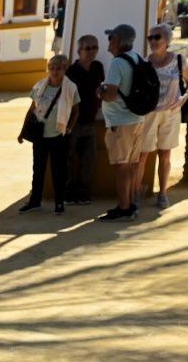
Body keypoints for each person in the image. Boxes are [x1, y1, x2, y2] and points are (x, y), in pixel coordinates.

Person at [136, 23, 188, 211]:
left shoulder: (178, 60)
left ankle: (162, 193)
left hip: (171, 113)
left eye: (157, 37)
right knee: (142, 155)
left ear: (167, 40)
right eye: (150, 38)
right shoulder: (145, 63)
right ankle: (136, 192)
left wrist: (185, 97)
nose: (153, 41)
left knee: (165, 154)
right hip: (150, 114)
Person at [18, 54, 80, 215]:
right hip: (40, 135)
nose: (54, 71)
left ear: (65, 69)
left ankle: (59, 202)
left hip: (59, 135)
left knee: (59, 171)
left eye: (58, 68)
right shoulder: (39, 86)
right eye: (52, 68)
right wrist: (22, 131)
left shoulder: (70, 88)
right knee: (38, 169)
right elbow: (31, 110)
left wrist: (69, 128)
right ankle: (35, 201)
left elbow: (75, 111)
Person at [97, 24, 146, 222]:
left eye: (111, 38)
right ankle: (129, 205)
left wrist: (99, 91)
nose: (108, 42)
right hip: (137, 120)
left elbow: (110, 95)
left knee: (121, 167)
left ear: (118, 41)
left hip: (120, 122)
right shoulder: (136, 58)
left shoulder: (117, 63)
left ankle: (124, 209)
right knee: (131, 166)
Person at [65, 35, 106, 205]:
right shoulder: (71, 72)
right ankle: (68, 190)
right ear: (79, 51)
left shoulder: (98, 67)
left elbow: (102, 88)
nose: (92, 51)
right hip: (73, 122)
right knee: (67, 156)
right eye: (88, 48)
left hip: (90, 120)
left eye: (95, 47)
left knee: (90, 158)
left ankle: (82, 189)